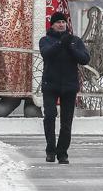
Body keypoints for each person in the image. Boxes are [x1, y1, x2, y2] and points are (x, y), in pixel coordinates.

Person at [39, 11, 90, 164]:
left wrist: (71, 47)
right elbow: (46, 54)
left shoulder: (75, 41)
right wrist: (61, 43)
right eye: (58, 22)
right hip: (50, 85)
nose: (61, 24)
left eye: (63, 22)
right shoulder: (46, 40)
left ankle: (62, 153)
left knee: (66, 122)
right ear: (52, 25)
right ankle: (50, 150)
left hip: (69, 86)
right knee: (50, 116)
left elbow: (85, 59)